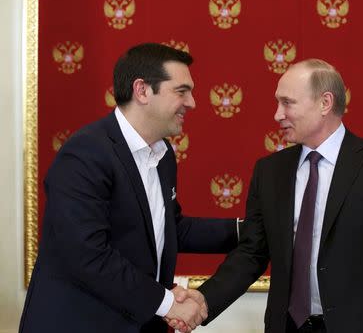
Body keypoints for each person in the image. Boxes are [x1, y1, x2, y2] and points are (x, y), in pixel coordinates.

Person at [173, 59, 363, 333]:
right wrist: (204, 300)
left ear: (325, 103)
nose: (277, 114)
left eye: (287, 103)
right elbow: (252, 252)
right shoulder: (270, 171)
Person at [19, 43, 240, 333]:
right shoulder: (85, 153)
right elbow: (87, 254)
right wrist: (168, 303)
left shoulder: (163, 155)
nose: (192, 103)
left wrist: (248, 229)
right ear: (143, 90)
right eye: (181, 91)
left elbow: (170, 229)